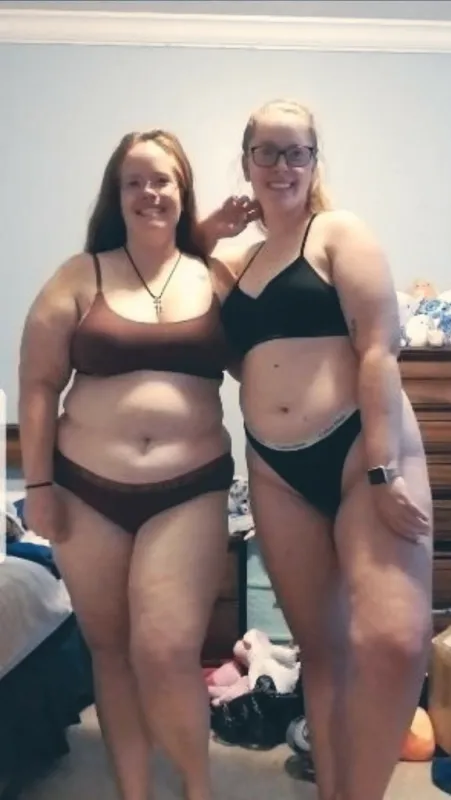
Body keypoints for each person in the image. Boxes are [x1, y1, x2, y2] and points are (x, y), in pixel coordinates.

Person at [200, 99, 433, 800]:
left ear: (313, 160)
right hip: (275, 467)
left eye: (296, 151)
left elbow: (378, 349)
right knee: (322, 653)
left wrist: (382, 466)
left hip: (362, 448)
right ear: (246, 162)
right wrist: (207, 231)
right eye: (266, 151)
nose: (281, 165)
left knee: (393, 642)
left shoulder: (337, 232)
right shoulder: (230, 264)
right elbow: (171, 278)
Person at [18, 129, 235, 800]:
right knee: (110, 651)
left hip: (189, 490)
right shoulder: (79, 275)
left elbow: (270, 364)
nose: (149, 192)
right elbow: (37, 387)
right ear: (116, 195)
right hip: (85, 490)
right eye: (134, 181)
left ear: (182, 189)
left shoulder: (215, 277)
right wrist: (39, 485)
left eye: (162, 179)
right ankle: (134, 793)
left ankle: (196, 787)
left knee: (166, 650)